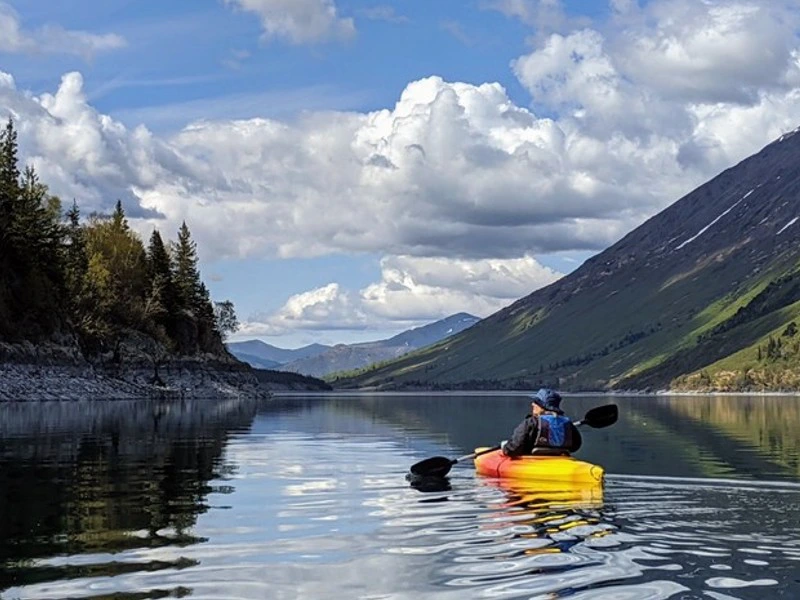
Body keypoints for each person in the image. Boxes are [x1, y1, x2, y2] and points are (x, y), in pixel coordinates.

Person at [500, 388, 582, 457]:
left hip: (534, 462)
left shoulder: (531, 422)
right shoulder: (567, 424)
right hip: (559, 460)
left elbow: (514, 449)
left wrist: (505, 447)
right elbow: (576, 446)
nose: (532, 404)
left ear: (542, 406)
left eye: (536, 402)